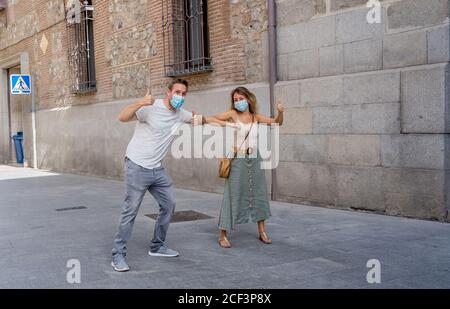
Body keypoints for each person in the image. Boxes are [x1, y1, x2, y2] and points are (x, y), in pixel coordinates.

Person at [111, 79, 194, 272]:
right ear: (168, 92)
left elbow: (201, 118)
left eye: (183, 94)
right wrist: (141, 102)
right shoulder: (151, 107)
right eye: (177, 92)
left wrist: (228, 122)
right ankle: (118, 255)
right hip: (137, 166)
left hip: (157, 170)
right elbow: (122, 117)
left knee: (169, 204)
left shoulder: (180, 114)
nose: (180, 96)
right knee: (130, 211)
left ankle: (157, 246)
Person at [203, 87, 284, 248]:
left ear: (248, 99)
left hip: (255, 158)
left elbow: (277, 122)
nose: (238, 102)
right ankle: (223, 234)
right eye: (235, 100)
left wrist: (280, 112)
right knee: (233, 194)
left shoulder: (256, 117)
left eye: (241, 98)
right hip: (238, 158)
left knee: (259, 192)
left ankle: (262, 231)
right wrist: (225, 125)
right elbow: (209, 118)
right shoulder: (232, 115)